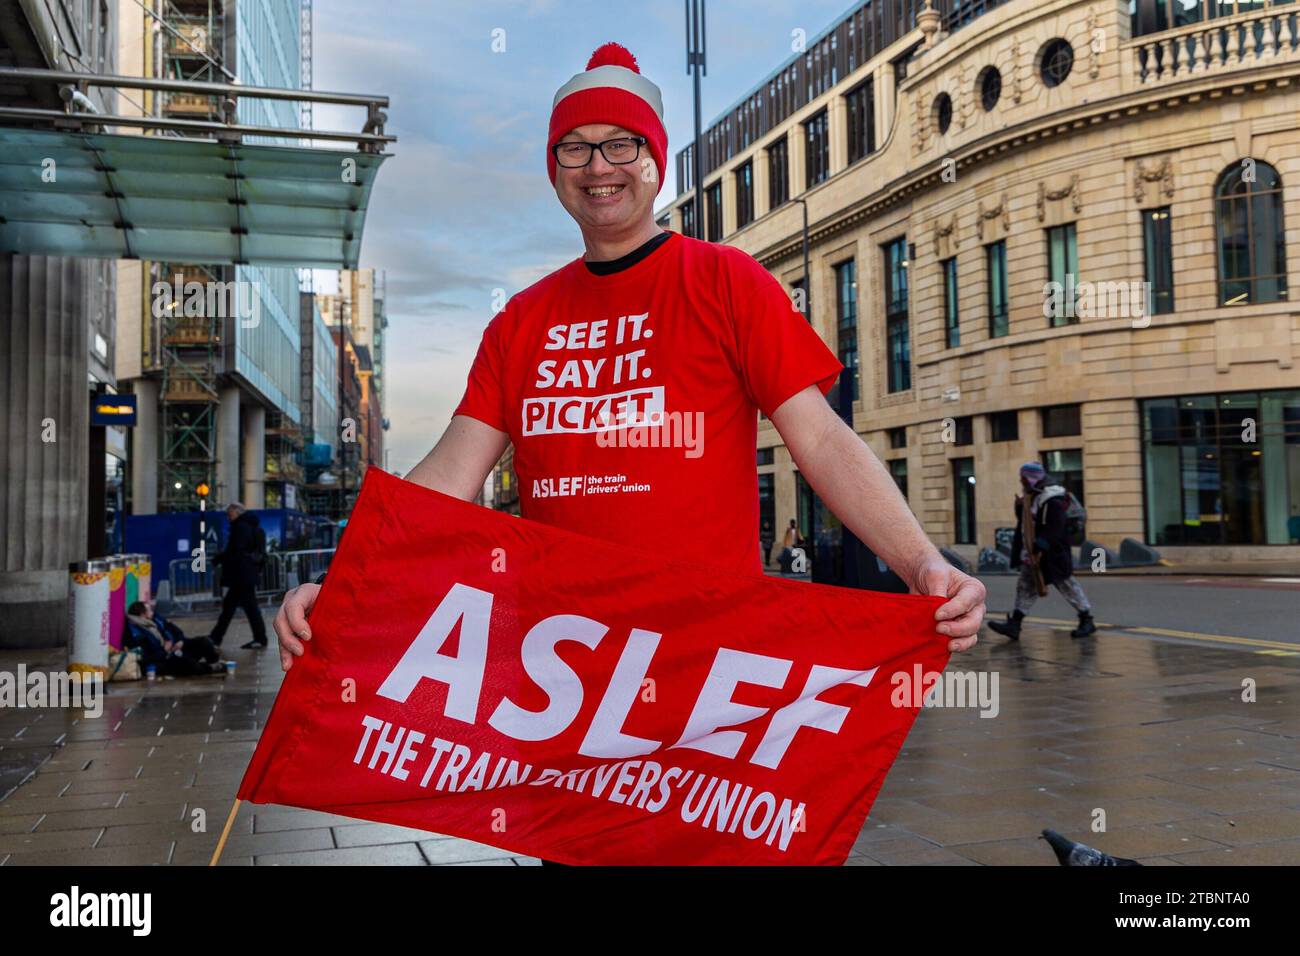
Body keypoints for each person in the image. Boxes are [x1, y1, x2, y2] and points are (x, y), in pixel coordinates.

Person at [273, 42, 985, 863]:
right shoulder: (519, 325)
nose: (598, 166)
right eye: (575, 147)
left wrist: (920, 563)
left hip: (710, 678)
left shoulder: (728, 283)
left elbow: (821, 438)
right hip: (567, 688)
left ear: (655, 161)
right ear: (553, 170)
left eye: (622, 144)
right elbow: (448, 483)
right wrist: (350, 587)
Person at [987, 462, 1097, 640]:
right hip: (1033, 555)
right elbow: (1028, 522)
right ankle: (1015, 624)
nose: (1020, 481)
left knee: (1068, 586)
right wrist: (1019, 507)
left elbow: (1056, 526)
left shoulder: (1052, 498)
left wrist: (1041, 545)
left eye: (1023, 477)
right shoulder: (1033, 496)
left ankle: (1087, 619)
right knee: (1025, 587)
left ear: (1031, 478)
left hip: (1052, 555)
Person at [209, 503, 269, 649]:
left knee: (245, 608)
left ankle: (216, 638)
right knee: (234, 606)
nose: (228, 518)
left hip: (241, 575)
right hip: (247, 574)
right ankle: (215, 638)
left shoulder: (241, 527)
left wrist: (218, 559)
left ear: (237, 512)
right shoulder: (253, 526)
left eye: (230, 514)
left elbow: (235, 550)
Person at [125, 601, 224, 676]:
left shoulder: (154, 619)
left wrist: (179, 640)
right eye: (149, 610)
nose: (152, 611)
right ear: (142, 614)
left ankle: (214, 661)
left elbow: (174, 628)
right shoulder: (136, 632)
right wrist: (164, 650)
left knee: (204, 642)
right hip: (164, 659)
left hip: (175, 648)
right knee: (187, 663)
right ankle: (210, 668)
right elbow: (146, 657)